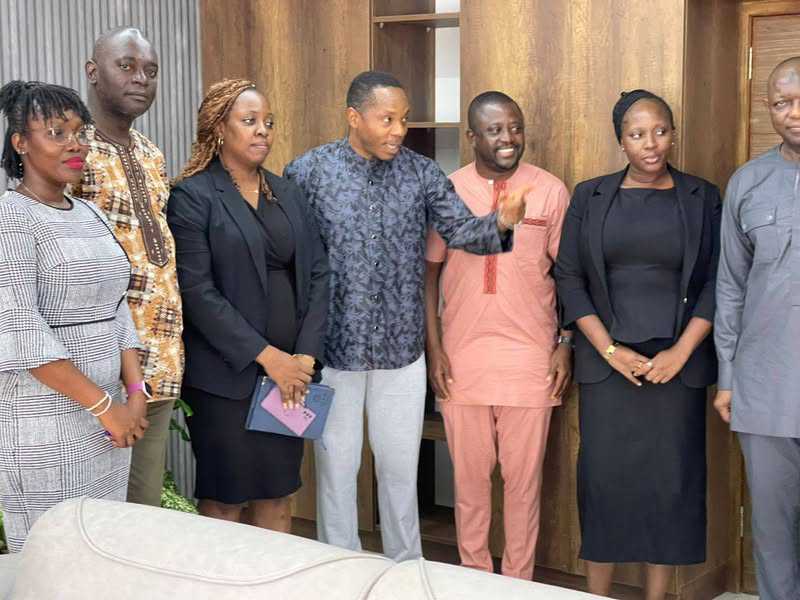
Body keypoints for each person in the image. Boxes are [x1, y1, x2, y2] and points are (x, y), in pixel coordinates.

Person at [284, 71, 528, 561]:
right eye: (387, 119)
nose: (398, 130)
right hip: (332, 350)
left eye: (404, 119)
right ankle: (339, 573)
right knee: (337, 470)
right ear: (354, 117)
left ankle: (406, 571)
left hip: (402, 353)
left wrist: (501, 222)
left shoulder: (422, 173)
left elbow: (462, 231)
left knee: (399, 471)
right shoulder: (308, 172)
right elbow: (287, 254)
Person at [554, 89, 721, 599]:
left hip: (677, 368)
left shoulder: (702, 196)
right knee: (605, 484)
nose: (651, 144)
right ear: (620, 141)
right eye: (637, 134)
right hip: (609, 367)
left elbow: (719, 280)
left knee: (670, 487)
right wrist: (608, 349)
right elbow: (569, 277)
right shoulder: (590, 195)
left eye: (661, 131)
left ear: (673, 133)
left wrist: (681, 352)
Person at [168, 79, 329, 532]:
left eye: (268, 122)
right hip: (225, 382)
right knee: (226, 501)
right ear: (220, 128)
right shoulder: (193, 196)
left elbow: (318, 273)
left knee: (278, 494)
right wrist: (268, 357)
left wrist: (304, 357)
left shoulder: (288, 193)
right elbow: (196, 291)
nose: (263, 131)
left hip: (289, 379)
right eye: (249, 121)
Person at [424, 91, 571, 580]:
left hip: (531, 362)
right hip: (462, 361)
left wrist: (565, 343)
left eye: (515, 127)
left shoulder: (550, 191)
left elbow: (570, 277)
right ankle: (473, 580)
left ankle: (518, 584)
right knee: (469, 488)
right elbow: (428, 276)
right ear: (472, 137)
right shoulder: (447, 191)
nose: (508, 138)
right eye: (494, 130)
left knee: (523, 487)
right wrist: (435, 349)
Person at [0, 80, 149, 552]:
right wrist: (106, 409)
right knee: (53, 558)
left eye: (80, 132)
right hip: (45, 424)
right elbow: (20, 330)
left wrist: (135, 394)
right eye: (56, 133)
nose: (75, 144)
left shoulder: (90, 213)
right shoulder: (10, 218)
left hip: (109, 426)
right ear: (20, 143)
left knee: (103, 550)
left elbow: (117, 307)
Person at [71, 27, 184, 507]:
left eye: (151, 71)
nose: (141, 79)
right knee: (94, 510)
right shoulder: (72, 151)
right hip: (101, 370)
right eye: (127, 66)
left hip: (161, 356)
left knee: (143, 509)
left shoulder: (151, 153)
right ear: (93, 73)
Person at [714, 57, 800, 600]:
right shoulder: (747, 183)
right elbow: (731, 286)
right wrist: (727, 377)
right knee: (772, 531)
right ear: (768, 108)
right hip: (766, 388)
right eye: (782, 103)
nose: (794, 113)